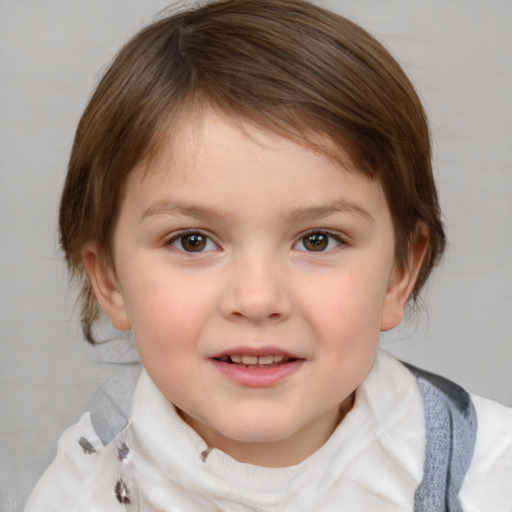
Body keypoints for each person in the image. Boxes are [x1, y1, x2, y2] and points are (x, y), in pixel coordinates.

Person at [24, 0, 512, 510]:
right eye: (193, 241)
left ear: (399, 273)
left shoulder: (487, 478)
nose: (257, 299)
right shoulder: (80, 491)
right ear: (111, 281)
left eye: (317, 240)